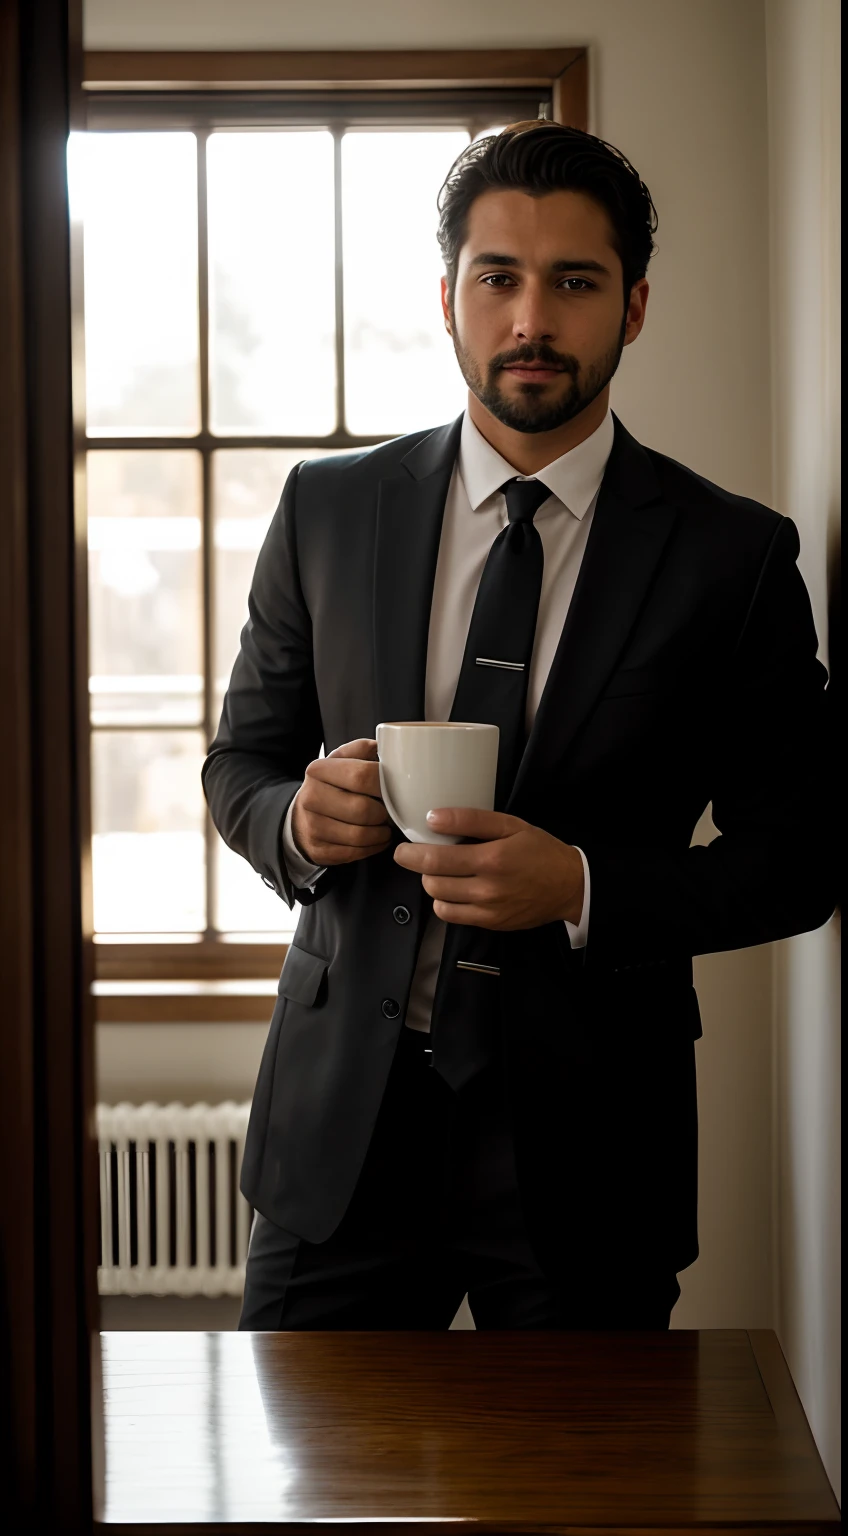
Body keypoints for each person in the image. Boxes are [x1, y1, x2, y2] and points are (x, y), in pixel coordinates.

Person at [202, 121, 836, 1331]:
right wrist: (295, 818)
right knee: (301, 1511)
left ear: (633, 306)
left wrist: (584, 885)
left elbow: (796, 859)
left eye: (573, 282)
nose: (528, 319)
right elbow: (237, 760)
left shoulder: (732, 558)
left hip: (593, 1147)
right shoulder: (325, 509)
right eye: (496, 278)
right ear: (448, 297)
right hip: (341, 1133)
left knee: (587, 1513)